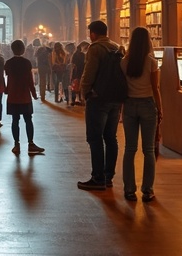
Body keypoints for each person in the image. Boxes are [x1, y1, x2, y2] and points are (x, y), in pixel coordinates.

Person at [78, 20, 122, 191]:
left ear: (93, 34)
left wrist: (85, 93)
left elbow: (89, 73)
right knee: (111, 138)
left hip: (98, 98)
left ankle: (97, 177)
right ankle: (108, 176)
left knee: (95, 138)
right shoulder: (117, 47)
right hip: (115, 98)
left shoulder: (95, 48)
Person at [120, 27, 162, 202]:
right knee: (148, 150)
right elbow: (155, 88)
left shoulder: (124, 62)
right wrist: (160, 109)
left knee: (130, 149)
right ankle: (147, 190)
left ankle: (129, 190)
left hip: (129, 105)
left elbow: (122, 87)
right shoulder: (151, 62)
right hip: (147, 104)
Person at [4, 40, 44, 155]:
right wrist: (34, 93)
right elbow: (29, 80)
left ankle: (16, 144)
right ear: (23, 49)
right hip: (24, 95)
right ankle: (31, 143)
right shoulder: (27, 63)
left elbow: (8, 78)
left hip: (13, 95)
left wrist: (7, 90)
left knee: (15, 120)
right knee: (28, 120)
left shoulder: (8, 63)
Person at [69, 41, 88, 106]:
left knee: (74, 86)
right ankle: (80, 99)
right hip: (81, 72)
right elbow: (85, 63)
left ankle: (73, 100)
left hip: (75, 72)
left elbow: (72, 63)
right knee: (80, 86)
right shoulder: (83, 55)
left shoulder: (74, 54)